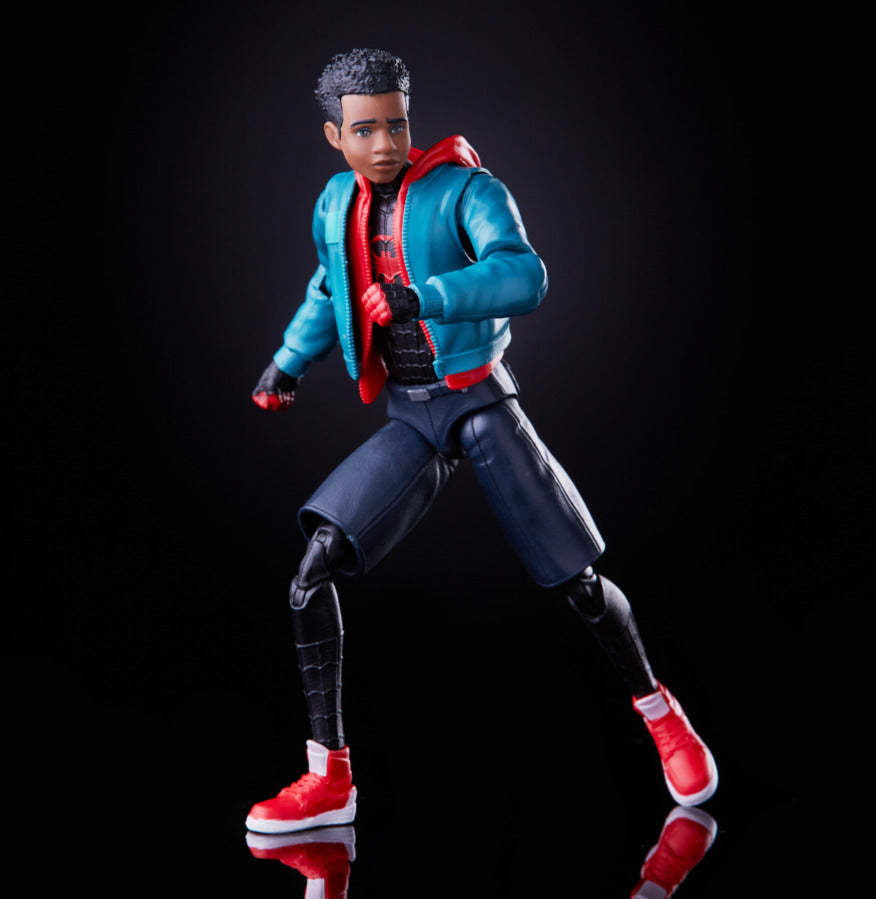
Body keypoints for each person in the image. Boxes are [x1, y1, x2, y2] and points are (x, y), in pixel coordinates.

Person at [245, 48, 717, 834]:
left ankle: (659, 710)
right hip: (410, 415)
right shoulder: (335, 205)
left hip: (479, 402)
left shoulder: (466, 189)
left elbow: (524, 274)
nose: (386, 143)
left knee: (579, 582)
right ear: (335, 136)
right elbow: (329, 289)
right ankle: (329, 777)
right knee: (310, 570)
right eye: (365, 129)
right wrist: (288, 361)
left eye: (396, 123)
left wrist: (424, 296)